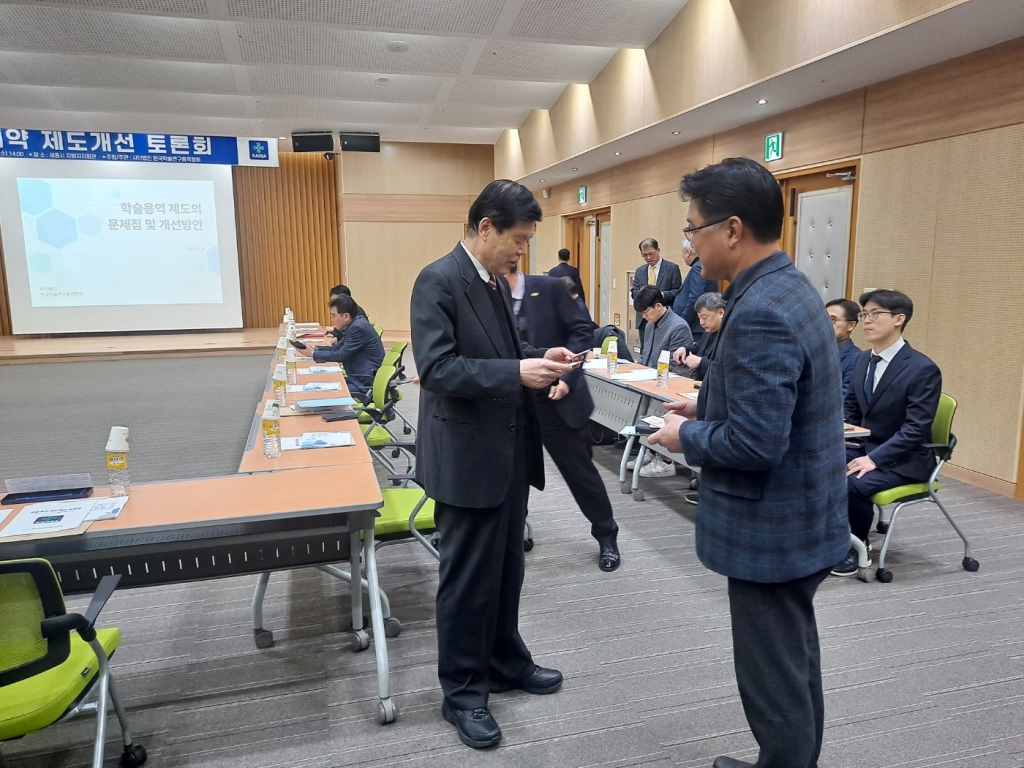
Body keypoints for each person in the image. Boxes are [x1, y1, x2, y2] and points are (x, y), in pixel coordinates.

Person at [648, 157, 849, 768]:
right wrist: (705, 398)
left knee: (773, 681)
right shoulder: (786, 285)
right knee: (792, 662)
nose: (690, 245)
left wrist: (688, 436)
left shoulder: (760, 308)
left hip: (774, 527)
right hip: (804, 517)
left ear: (732, 229)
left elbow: (758, 444)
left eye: (693, 230)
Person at [410, 179, 576, 750]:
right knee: (466, 581)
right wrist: (515, 373)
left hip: (505, 452)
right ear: (486, 227)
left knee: (508, 570)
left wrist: (535, 360)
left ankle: (505, 660)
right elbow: (438, 371)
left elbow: (496, 357)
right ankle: (461, 693)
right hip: (466, 458)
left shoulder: (491, 281)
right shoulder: (439, 279)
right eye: (519, 239)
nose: (522, 252)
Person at [505, 266, 621, 572]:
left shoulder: (551, 288)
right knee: (515, 473)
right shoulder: (489, 295)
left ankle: (607, 535)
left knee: (580, 474)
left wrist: (568, 374)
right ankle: (516, 533)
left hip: (558, 397)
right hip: (513, 400)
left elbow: (583, 331)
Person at [832, 289, 941, 577]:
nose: (866, 320)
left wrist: (875, 459)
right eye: (864, 314)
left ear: (899, 319)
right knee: (817, 462)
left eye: (875, 314)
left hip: (905, 458)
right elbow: (852, 411)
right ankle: (827, 535)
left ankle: (857, 544)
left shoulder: (922, 369)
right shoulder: (864, 360)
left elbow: (915, 430)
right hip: (867, 445)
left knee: (854, 482)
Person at [295, 293, 384, 398]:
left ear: (346, 316)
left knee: (326, 393)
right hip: (357, 377)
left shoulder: (357, 328)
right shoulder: (353, 325)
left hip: (364, 382)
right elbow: (337, 348)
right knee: (324, 384)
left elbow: (341, 355)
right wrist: (315, 348)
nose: (332, 320)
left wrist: (312, 354)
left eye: (333, 316)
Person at [630, 238, 682, 354]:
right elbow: (634, 292)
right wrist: (642, 293)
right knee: (645, 350)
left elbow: (677, 291)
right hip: (644, 319)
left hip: (663, 317)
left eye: (651, 254)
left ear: (658, 250)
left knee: (661, 351)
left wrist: (662, 294)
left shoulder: (672, 268)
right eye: (644, 255)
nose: (648, 258)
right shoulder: (640, 271)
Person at [672, 240, 719, 345]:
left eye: (683, 253)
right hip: (699, 323)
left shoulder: (697, 267)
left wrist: (683, 320)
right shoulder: (703, 265)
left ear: (688, 253)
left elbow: (695, 297)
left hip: (694, 325)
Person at [672, 291, 724, 382]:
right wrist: (686, 349)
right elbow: (700, 346)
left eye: (704, 317)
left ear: (720, 313)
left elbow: (727, 369)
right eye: (699, 318)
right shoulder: (710, 329)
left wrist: (701, 363)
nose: (702, 322)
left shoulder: (732, 335)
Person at [825, 298, 861, 400]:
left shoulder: (857, 358)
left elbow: (846, 399)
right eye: (824, 319)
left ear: (851, 325)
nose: (826, 324)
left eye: (833, 320)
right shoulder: (812, 350)